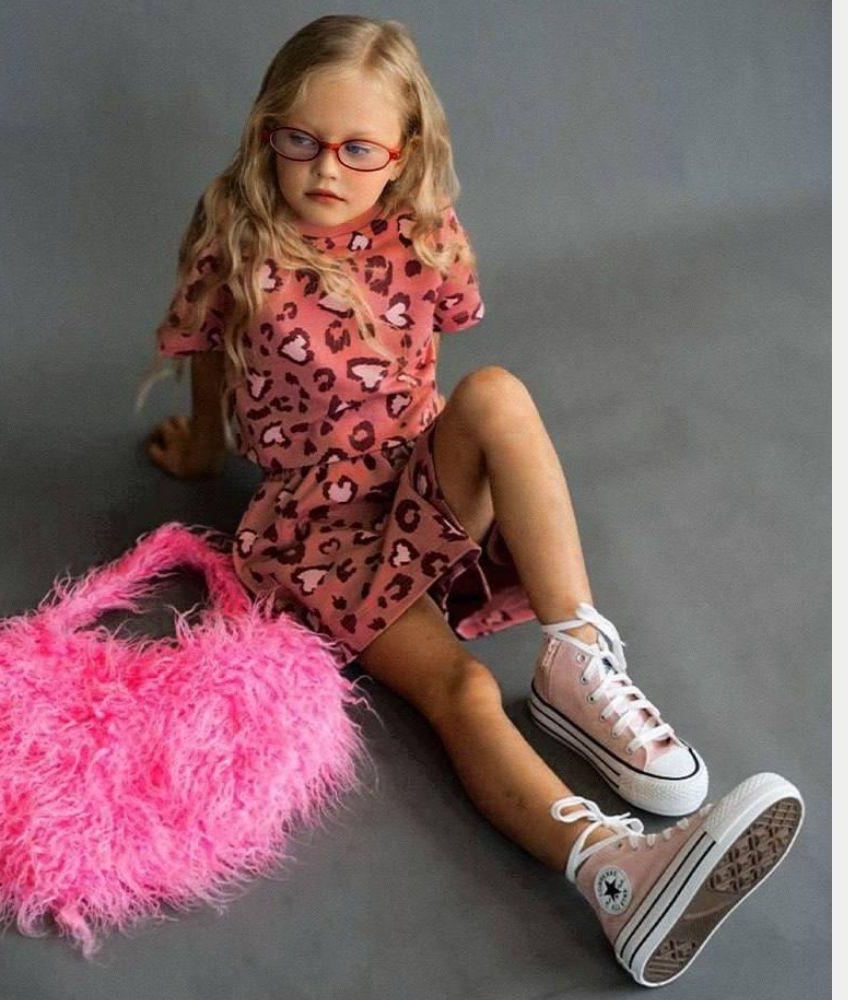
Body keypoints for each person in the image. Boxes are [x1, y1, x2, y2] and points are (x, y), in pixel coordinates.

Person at [138, 15, 805, 987]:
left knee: (494, 393)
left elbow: (424, 370)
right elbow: (206, 358)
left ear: (404, 149)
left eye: (358, 149)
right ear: (266, 130)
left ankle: (577, 659)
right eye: (301, 140)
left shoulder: (424, 231)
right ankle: (615, 871)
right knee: (464, 691)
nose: (325, 169)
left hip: (420, 478)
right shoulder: (237, 233)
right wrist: (202, 447)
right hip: (321, 536)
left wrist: (439, 472)